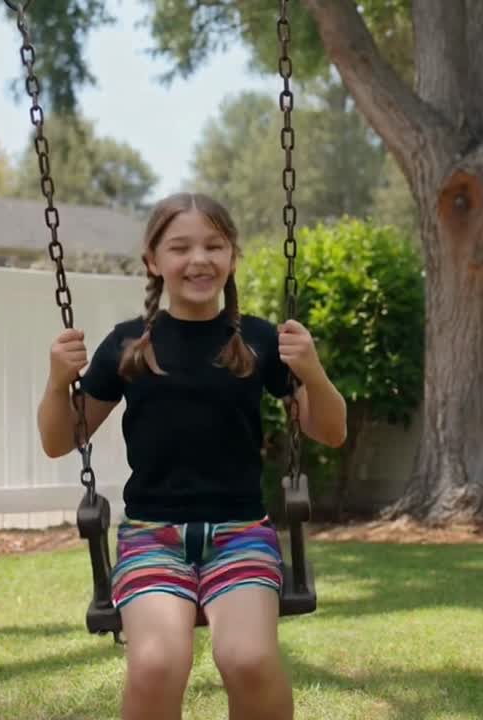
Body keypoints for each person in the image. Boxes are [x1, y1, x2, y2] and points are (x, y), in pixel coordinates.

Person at [36, 192, 347, 720]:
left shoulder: (258, 341)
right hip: (153, 539)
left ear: (232, 257)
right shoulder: (129, 345)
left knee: (247, 658)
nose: (198, 260)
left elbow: (330, 430)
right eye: (180, 247)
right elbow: (61, 439)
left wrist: (312, 371)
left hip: (240, 535)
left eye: (214, 245)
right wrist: (56, 380)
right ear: (154, 261)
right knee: (157, 663)